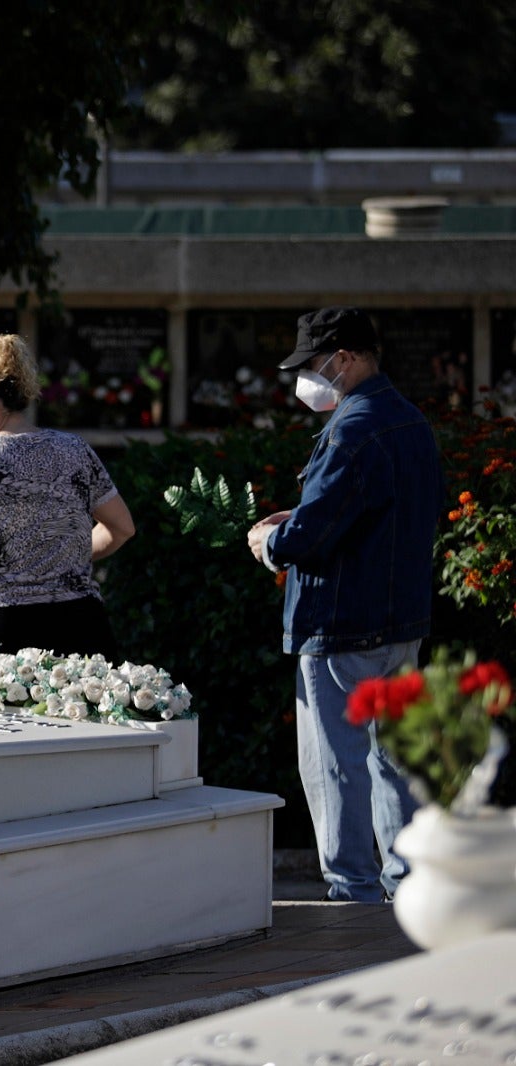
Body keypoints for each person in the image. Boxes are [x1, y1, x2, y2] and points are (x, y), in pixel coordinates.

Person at [246, 306, 442, 903]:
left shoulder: (353, 428)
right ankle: (407, 887)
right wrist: (302, 519)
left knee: (335, 769)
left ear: (345, 358)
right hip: (400, 624)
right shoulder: (410, 421)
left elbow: (310, 537)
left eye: (314, 364)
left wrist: (268, 541)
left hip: (339, 626)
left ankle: (352, 892)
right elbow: (378, 516)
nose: (308, 377)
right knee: (392, 764)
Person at [0, 333, 135, 658]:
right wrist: (60, 559)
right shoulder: (76, 451)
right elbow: (122, 527)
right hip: (82, 629)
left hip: (2, 631)